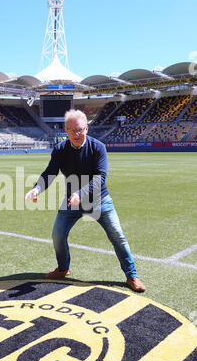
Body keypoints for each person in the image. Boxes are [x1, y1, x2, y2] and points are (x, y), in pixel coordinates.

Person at [25, 109, 145, 292]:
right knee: (57, 234)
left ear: (87, 128)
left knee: (118, 236)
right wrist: (37, 188)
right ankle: (63, 268)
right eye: (72, 130)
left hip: (100, 201)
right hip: (71, 202)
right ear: (66, 131)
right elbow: (50, 173)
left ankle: (132, 276)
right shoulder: (59, 150)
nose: (76, 134)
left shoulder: (98, 147)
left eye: (80, 129)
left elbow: (100, 178)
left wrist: (80, 193)